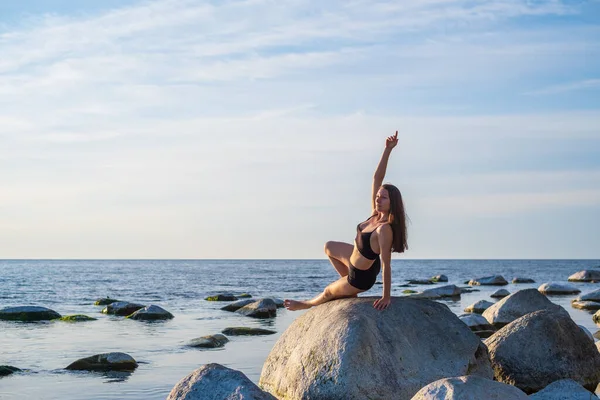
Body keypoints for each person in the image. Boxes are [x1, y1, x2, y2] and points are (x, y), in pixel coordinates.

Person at [284, 131, 408, 311]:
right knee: (329, 246)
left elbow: (386, 265)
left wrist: (386, 296)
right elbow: (377, 178)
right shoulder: (374, 214)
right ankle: (347, 288)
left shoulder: (384, 230)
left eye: (383, 198)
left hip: (361, 277)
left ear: (392, 203)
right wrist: (387, 150)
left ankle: (306, 304)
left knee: (327, 292)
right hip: (353, 262)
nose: (378, 199)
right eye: (378, 196)